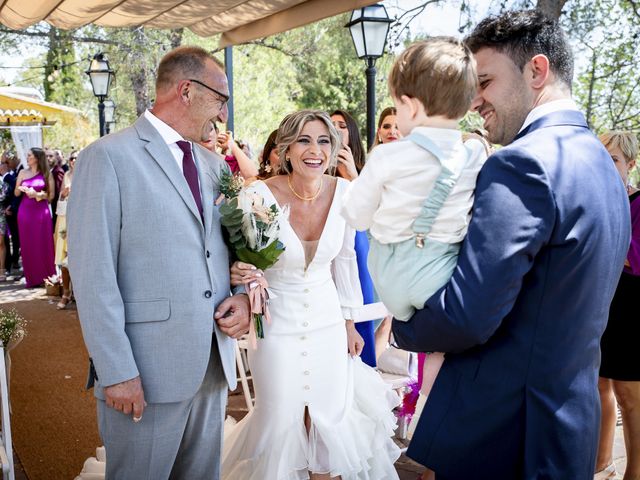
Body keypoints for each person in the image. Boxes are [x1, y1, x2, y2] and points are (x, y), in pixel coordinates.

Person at [391, 10, 630, 479]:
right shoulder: (603, 166)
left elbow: (467, 314)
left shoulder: (522, 164)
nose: (473, 100)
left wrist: (403, 327)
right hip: (566, 427)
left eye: (484, 82)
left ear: (536, 70)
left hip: (503, 433)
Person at [67, 45, 251, 479]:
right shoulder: (108, 157)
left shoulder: (212, 165)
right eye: (220, 99)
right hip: (144, 372)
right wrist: (116, 370)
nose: (223, 115)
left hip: (211, 365)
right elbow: (94, 276)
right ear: (187, 91)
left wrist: (242, 299)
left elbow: (231, 252)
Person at [222, 110, 401, 480]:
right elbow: (238, 258)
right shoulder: (256, 196)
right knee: (281, 417)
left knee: (327, 420)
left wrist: (350, 322)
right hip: (274, 324)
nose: (315, 150)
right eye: (304, 140)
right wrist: (240, 275)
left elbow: (347, 263)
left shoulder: (346, 194)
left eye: (323, 141)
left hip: (327, 321)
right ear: (286, 149)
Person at [596, 131, 640, 480]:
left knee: (630, 395)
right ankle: (601, 462)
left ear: (630, 164)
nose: (608, 165)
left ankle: (634, 473)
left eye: (614, 159)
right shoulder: (598, 198)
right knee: (599, 387)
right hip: (602, 306)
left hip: (632, 310)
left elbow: (635, 259)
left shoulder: (637, 202)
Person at [329, 109, 379, 368]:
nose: (336, 129)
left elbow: (371, 213)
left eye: (342, 125)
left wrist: (351, 175)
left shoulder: (366, 169)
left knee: (358, 308)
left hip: (357, 244)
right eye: (331, 124)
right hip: (328, 246)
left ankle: (363, 366)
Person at [14, 147, 55, 288]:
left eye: (30, 155)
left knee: (43, 242)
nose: (27, 157)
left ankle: (47, 277)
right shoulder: (22, 172)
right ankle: (31, 278)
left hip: (42, 213)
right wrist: (20, 188)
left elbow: (51, 196)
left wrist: (37, 194)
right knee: (28, 244)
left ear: (37, 158)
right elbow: (16, 194)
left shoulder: (46, 173)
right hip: (25, 213)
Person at [54, 150, 77, 310]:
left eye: (77, 158)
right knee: (64, 260)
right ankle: (66, 293)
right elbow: (60, 198)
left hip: (82, 219)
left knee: (78, 260)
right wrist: (63, 194)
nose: (74, 160)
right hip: (65, 219)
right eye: (72, 158)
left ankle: (78, 293)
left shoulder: (88, 174)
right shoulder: (67, 175)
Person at [2, 150, 22, 277]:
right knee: (4, 239)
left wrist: (11, 207)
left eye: (4, 161)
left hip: (12, 211)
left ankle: (14, 260)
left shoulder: (13, 175)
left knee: (14, 237)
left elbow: (16, 192)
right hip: (2, 211)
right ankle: (7, 264)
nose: (3, 164)